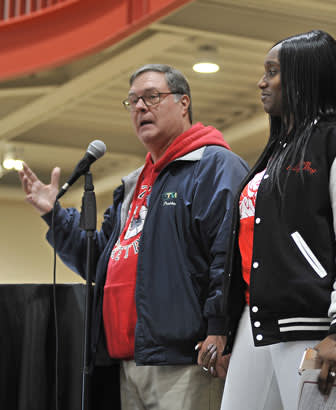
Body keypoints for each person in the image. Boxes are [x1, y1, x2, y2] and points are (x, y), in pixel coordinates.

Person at [19, 64, 249, 410]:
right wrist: (55, 215)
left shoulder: (214, 166)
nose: (141, 107)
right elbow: (100, 262)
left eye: (152, 97)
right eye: (133, 102)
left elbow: (227, 256)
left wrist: (220, 330)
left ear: (184, 103)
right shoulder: (133, 183)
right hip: (128, 359)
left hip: (186, 359)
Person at [213, 30, 336, 410]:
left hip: (310, 324)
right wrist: (225, 329)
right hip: (256, 323)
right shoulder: (274, 155)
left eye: (273, 72)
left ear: (303, 78)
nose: (261, 82)